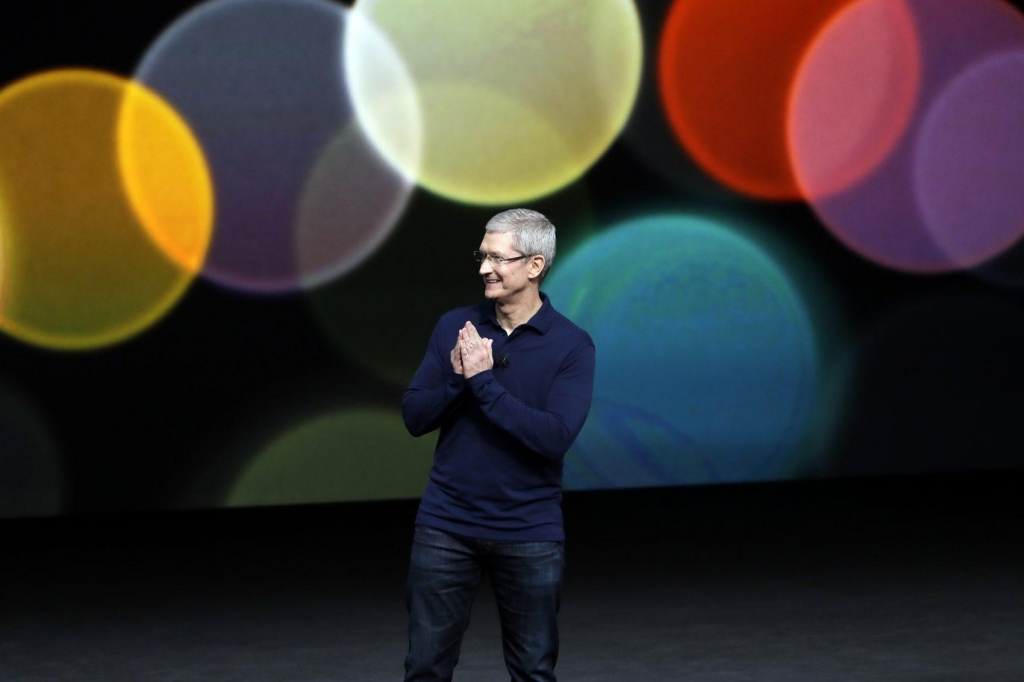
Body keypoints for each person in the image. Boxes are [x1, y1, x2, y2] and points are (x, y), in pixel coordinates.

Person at [401, 208, 596, 682]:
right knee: (425, 668)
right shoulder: (456, 327)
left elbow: (553, 438)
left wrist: (483, 382)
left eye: (498, 258)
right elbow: (414, 417)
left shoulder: (571, 346)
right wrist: (457, 381)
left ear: (534, 266)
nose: (484, 268)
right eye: (482, 255)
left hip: (529, 530)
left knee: (532, 670)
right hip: (446, 525)